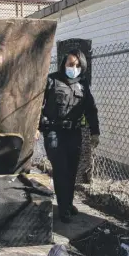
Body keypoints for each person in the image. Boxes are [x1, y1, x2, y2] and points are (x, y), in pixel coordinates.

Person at [38, 49, 100, 223]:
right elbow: (37, 105)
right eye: (70, 64)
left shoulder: (83, 84)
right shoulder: (51, 80)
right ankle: (63, 209)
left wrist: (95, 132)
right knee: (61, 169)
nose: (74, 67)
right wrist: (36, 127)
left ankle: (68, 203)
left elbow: (91, 110)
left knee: (72, 171)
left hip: (74, 133)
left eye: (77, 65)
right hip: (53, 132)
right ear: (64, 64)